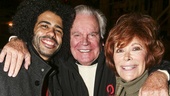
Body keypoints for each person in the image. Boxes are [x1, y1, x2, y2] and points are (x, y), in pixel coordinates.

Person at [0, 5, 170, 96]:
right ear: (67, 38)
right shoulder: (56, 67)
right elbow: (41, 46)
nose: (85, 42)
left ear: (102, 39)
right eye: (77, 35)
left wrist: (161, 75)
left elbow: (154, 61)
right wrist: (17, 40)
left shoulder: (116, 63)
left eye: (92, 34)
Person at [0, 0, 75, 95]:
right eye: (44, 26)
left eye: (58, 30)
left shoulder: (57, 76)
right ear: (30, 30)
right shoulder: (4, 62)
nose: (52, 33)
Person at [105, 13, 170, 96]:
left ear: (149, 54)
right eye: (120, 50)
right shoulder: (117, 86)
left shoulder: (161, 91)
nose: (127, 57)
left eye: (135, 49)